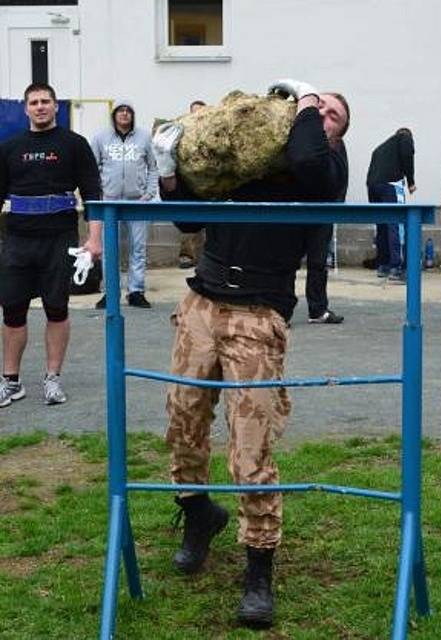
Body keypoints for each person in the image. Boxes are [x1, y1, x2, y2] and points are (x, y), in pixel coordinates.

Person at [157, 78, 350, 627]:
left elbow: (310, 159)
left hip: (258, 313)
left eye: (331, 113)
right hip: (201, 302)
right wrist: (171, 169)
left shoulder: (324, 173)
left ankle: (258, 571)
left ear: (333, 133)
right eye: (317, 107)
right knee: (183, 418)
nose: (318, 115)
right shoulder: (249, 163)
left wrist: (308, 103)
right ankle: (198, 515)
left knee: (250, 448)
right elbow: (190, 219)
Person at [0, 83, 102, 408]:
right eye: (34, 102)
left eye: (46, 101)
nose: (40, 106)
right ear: (26, 108)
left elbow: (93, 194)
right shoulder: (10, 147)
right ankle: (10, 382)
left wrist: (94, 238)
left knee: (56, 310)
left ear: (56, 106)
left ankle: (52, 378)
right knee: (12, 311)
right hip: (18, 241)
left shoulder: (74, 144)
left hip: (59, 240)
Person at [92, 99, 158, 308]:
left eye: (128, 111)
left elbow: (153, 167)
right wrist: (98, 194)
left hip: (137, 202)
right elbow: (92, 168)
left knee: (138, 248)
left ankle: (136, 291)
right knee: (110, 249)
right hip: (109, 203)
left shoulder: (144, 137)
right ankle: (110, 292)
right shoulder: (101, 137)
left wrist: (149, 193)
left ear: (133, 115)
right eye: (120, 110)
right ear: (114, 115)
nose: (124, 114)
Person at [303, 137, 348, 324]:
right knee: (285, 261)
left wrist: (337, 204)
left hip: (323, 209)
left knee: (318, 261)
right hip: (295, 206)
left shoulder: (336, 141)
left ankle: (318, 309)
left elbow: (342, 173)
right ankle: (281, 309)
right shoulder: (302, 135)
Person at [366, 128, 416, 282]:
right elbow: (407, 155)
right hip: (390, 184)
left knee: (381, 225)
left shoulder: (380, 148)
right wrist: (411, 181)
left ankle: (384, 265)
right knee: (396, 224)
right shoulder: (404, 137)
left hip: (372, 185)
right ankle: (397, 267)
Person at [177, 100, 207, 269]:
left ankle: (205, 256)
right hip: (187, 181)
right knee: (187, 220)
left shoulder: (210, 131)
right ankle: (186, 255)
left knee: (206, 222)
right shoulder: (183, 130)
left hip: (207, 182)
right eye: (194, 111)